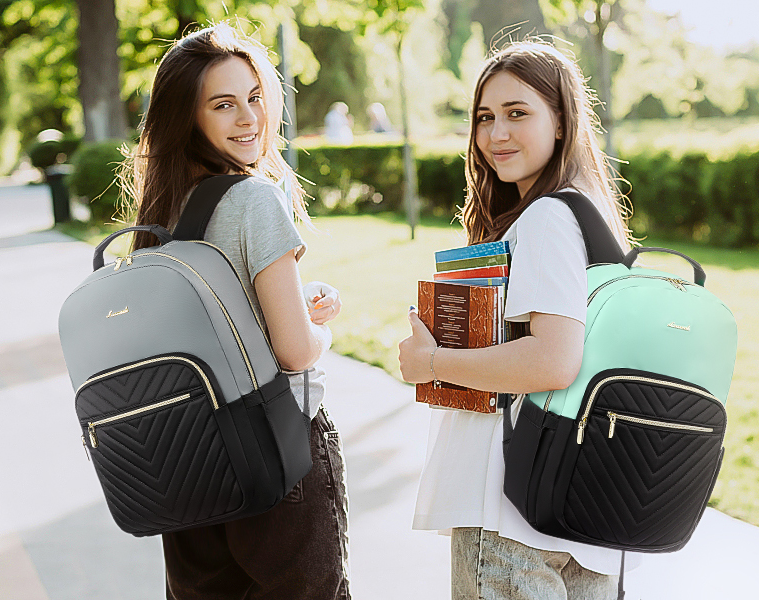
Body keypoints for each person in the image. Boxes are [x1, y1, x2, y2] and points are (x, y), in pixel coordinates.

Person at [397, 40, 637, 600]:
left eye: (517, 113)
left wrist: (431, 362)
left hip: (508, 507)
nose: (495, 134)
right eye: (485, 117)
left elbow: (554, 358)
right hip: (580, 509)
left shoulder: (548, 217)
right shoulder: (590, 214)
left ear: (561, 120)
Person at [120, 23, 351, 600]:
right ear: (188, 117)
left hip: (189, 461)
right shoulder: (253, 198)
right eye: (224, 104)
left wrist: (294, 303)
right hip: (277, 451)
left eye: (255, 98)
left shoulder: (160, 215)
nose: (249, 118)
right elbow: (294, 350)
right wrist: (317, 327)